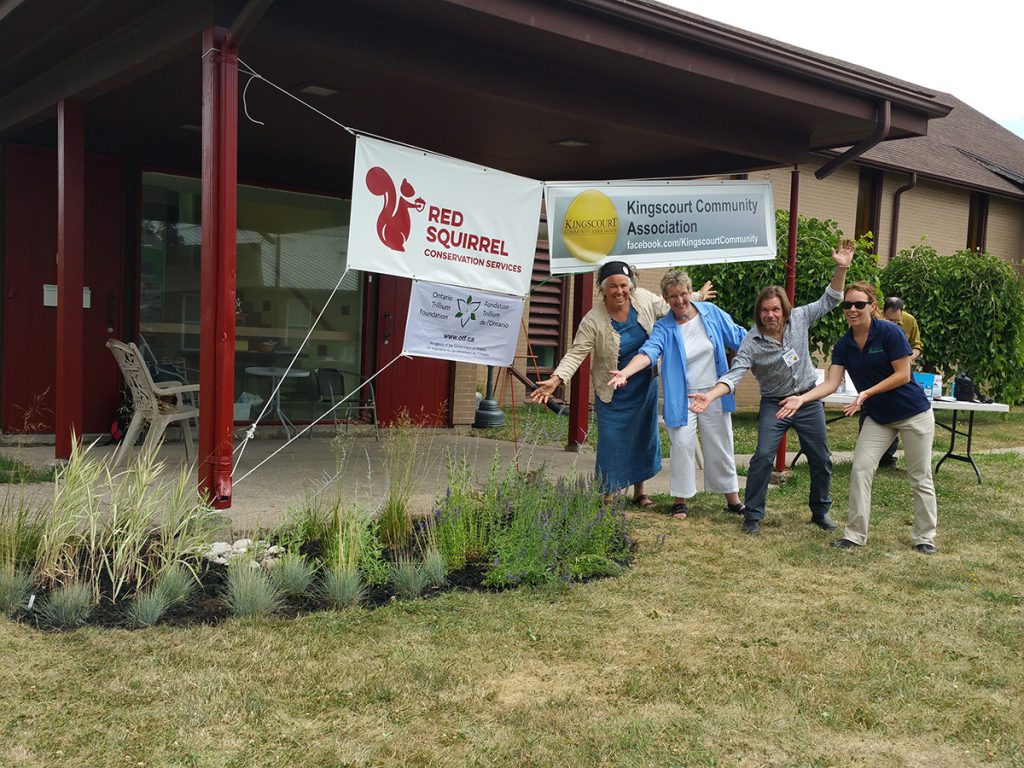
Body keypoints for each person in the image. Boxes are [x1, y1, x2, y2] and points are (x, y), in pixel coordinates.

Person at [689, 240, 855, 536]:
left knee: (820, 457)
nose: (770, 315)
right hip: (774, 404)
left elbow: (830, 299)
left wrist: (841, 268)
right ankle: (752, 515)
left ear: (784, 310)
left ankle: (820, 511)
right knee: (763, 456)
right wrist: (711, 394)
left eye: (775, 309)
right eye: (765, 310)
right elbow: (734, 375)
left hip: (806, 399)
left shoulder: (800, 319)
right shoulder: (752, 342)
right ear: (759, 313)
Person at [529, 260, 712, 506]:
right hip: (611, 390)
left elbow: (670, 304)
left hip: (644, 384)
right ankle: (609, 494)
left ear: (631, 286)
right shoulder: (593, 319)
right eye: (613, 286)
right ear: (603, 289)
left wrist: (697, 295)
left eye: (624, 285)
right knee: (611, 440)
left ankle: (640, 492)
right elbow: (576, 353)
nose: (619, 291)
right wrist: (556, 379)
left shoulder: (643, 299)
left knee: (643, 436)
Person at [775, 282, 937, 554]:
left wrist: (866, 393)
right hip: (879, 417)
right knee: (860, 470)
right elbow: (831, 383)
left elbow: (903, 375)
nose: (852, 309)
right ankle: (854, 535)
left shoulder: (890, 333)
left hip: (913, 413)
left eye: (859, 304)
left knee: (919, 476)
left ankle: (925, 538)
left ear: (872, 307)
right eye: (847, 304)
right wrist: (801, 398)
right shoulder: (844, 344)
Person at [608, 269, 747, 520]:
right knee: (682, 444)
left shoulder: (711, 314)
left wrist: (768, 351)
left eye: (683, 294)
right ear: (665, 298)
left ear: (690, 292)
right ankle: (680, 500)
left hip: (714, 392)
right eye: (673, 297)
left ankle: (733, 498)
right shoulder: (664, 327)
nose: (679, 301)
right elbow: (648, 352)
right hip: (681, 397)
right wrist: (625, 372)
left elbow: (740, 338)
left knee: (721, 443)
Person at [874, 296, 924, 466]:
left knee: (897, 410)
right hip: (879, 371)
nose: (893, 323)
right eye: (889, 319)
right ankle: (874, 453)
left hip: (901, 370)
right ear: (883, 312)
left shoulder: (910, 321)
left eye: (897, 320)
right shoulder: (874, 319)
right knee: (874, 410)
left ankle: (888, 457)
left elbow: (917, 346)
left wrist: (909, 358)